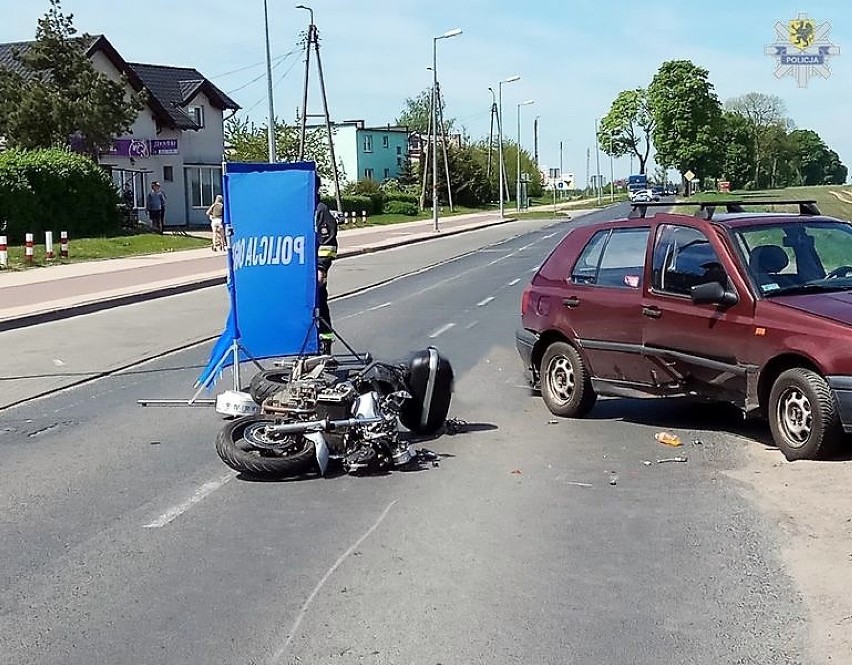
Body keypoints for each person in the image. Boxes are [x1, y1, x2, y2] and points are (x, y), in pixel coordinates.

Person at [314, 175, 338, 355]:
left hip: (315, 270)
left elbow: (328, 243)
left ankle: (325, 344)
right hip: (297, 270)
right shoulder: (296, 209)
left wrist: (321, 268)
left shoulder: (320, 210)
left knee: (320, 304)